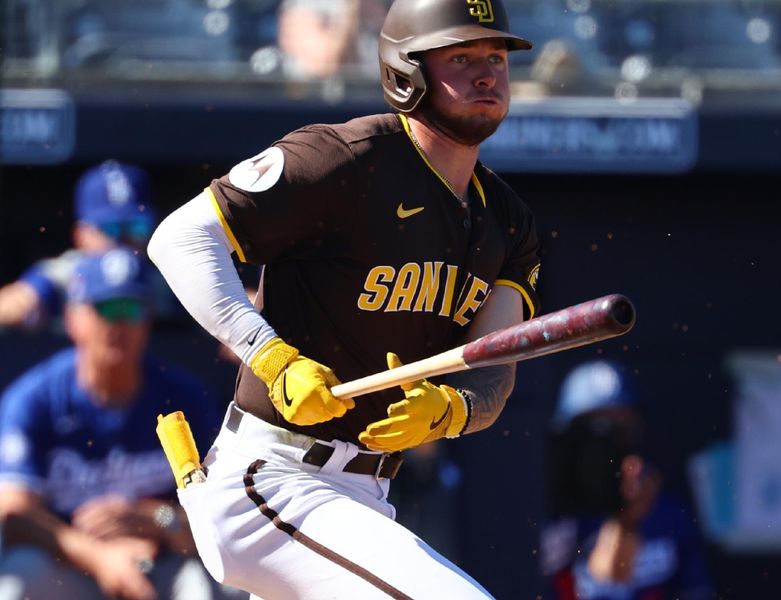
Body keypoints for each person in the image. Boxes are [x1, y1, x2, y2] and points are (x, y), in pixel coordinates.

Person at [147, 0, 540, 597]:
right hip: (271, 481)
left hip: (366, 495)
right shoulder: (345, 160)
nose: (487, 72)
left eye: (495, 56)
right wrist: (270, 356)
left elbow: (492, 370)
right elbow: (179, 238)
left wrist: (452, 409)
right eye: (460, 57)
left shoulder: (507, 220)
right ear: (405, 72)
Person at [0, 248, 239, 600]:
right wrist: (98, 558)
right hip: (68, 563)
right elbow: (14, 515)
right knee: (20, 576)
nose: (120, 324)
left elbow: (224, 519)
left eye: (132, 309)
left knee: (228, 579)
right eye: (106, 309)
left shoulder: (183, 398)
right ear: (73, 319)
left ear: (147, 320)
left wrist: (156, 518)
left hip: (161, 564)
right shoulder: (36, 398)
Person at [540, 360, 714, 600]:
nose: (608, 443)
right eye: (596, 429)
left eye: (621, 428)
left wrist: (628, 518)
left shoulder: (668, 511)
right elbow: (602, 584)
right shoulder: (546, 514)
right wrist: (622, 524)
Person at [0, 160, 168, 331]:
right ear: (81, 235)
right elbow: (14, 302)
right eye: (111, 229)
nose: (124, 239)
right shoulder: (63, 276)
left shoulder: (166, 278)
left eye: (136, 227)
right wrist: (24, 306)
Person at [277, 0, 390, 80]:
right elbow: (327, 64)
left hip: (376, 94)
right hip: (322, 100)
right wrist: (351, 9)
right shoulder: (304, 6)